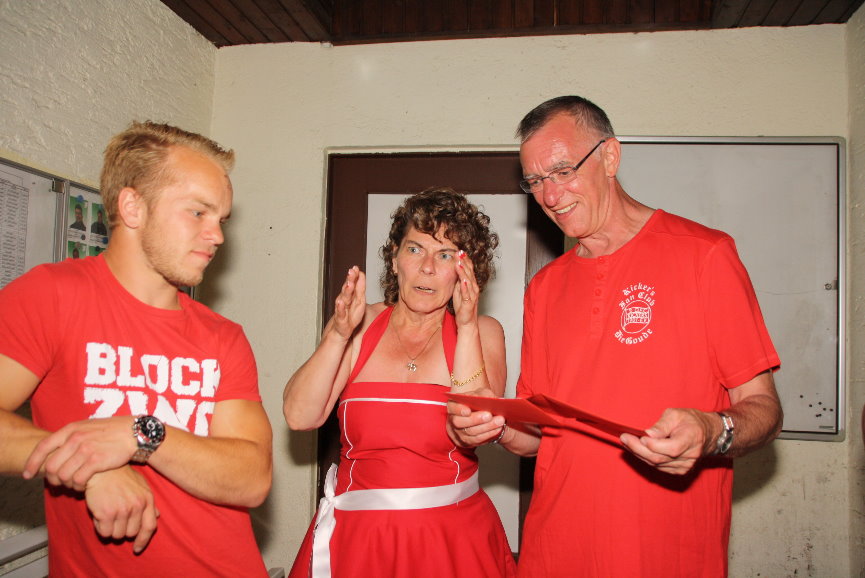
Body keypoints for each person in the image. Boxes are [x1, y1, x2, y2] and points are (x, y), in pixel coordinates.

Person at [449, 96, 783, 577]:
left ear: (609, 156)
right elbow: (540, 435)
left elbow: (764, 409)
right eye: (535, 181)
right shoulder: (545, 287)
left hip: (664, 556)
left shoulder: (705, 255)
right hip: (553, 553)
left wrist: (714, 431)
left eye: (563, 171)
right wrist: (495, 425)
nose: (550, 196)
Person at [0, 121, 272, 576]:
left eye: (221, 220)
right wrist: (90, 463)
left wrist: (142, 435)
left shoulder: (222, 336)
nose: (217, 236)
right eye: (198, 213)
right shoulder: (52, 296)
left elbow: (251, 478)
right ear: (132, 207)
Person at [283, 187, 516, 578]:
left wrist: (466, 325)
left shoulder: (483, 331)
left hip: (450, 539)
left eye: (445, 255)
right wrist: (338, 335)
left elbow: (469, 430)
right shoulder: (359, 325)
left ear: (466, 269)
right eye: (415, 249)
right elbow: (299, 416)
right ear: (394, 259)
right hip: (358, 540)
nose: (427, 268)